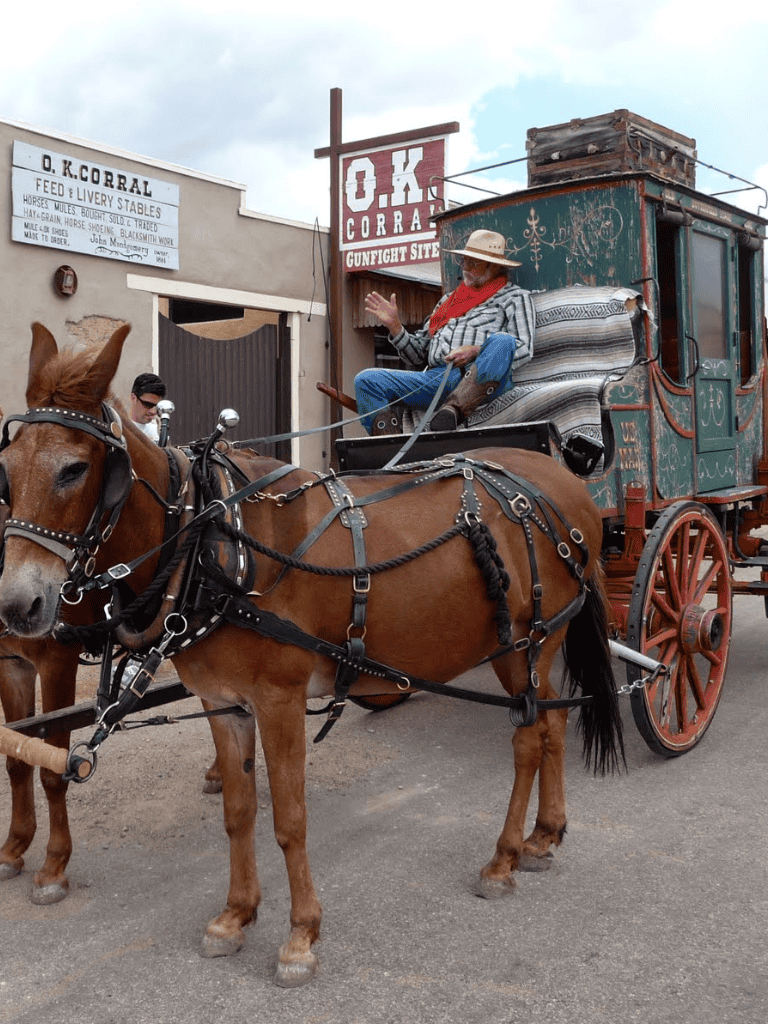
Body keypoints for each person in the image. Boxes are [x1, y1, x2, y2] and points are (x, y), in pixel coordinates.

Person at [356, 229, 535, 434]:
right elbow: (417, 356)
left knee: (503, 340)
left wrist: (475, 351)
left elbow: (524, 348)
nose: (465, 267)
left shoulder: (515, 297)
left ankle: (453, 411)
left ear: (493, 267)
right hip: (436, 378)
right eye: (465, 260)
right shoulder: (448, 302)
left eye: (473, 262)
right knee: (366, 380)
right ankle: (389, 448)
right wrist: (395, 327)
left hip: (480, 378)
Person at [129, 372, 166, 443]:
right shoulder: (121, 430)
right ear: (133, 398)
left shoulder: (158, 432)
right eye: (147, 404)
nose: (153, 412)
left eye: (157, 406)